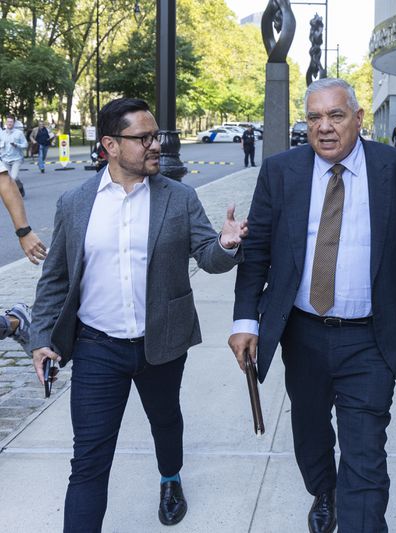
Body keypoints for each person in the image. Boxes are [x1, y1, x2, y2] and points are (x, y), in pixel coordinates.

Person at [29, 97, 248, 532]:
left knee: (165, 419)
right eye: (143, 138)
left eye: (157, 136)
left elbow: (208, 257)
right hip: (97, 348)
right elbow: (55, 279)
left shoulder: (179, 197)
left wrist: (226, 244)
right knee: (88, 460)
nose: (156, 146)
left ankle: (170, 477)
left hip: (162, 342)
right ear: (110, 144)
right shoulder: (75, 203)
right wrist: (40, 338)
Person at [228, 78, 396, 533]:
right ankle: (324, 491)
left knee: (365, 453)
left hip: (369, 335)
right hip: (302, 334)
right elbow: (257, 251)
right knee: (310, 431)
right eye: (314, 118)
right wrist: (246, 320)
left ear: (359, 119)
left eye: (336, 116)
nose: (324, 128)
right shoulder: (281, 171)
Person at [0, 115, 28, 197]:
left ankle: (17, 192)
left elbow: (25, 144)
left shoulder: (19, 133)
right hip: (5, 159)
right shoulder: (2, 134)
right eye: (8, 122)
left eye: (11, 122)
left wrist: (17, 145)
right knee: (8, 178)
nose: (9, 123)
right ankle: (19, 186)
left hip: (16, 159)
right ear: (6, 122)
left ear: (14, 123)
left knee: (13, 177)